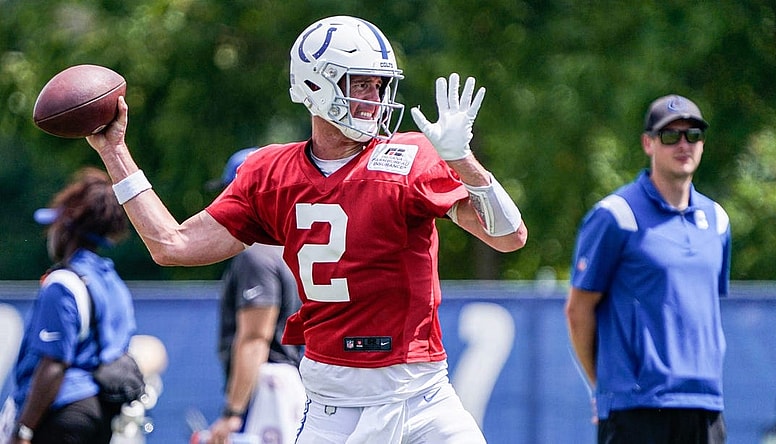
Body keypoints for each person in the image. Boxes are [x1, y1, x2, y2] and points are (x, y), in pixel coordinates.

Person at [86, 15, 527, 443]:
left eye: (379, 84)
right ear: (316, 85)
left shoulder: (410, 156)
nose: (375, 97)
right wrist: (115, 150)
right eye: (360, 83)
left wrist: (463, 161)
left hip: (421, 395)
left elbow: (509, 237)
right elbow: (172, 245)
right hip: (330, 404)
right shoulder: (269, 172)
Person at [565, 94, 730, 443]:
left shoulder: (717, 220)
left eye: (693, 134)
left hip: (705, 405)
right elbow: (578, 310)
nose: (683, 144)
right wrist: (606, 388)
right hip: (636, 409)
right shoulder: (616, 215)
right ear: (648, 143)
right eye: (670, 135)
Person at [12, 167, 137, 444]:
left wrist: (23, 430)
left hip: (63, 413)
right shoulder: (111, 280)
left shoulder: (62, 283)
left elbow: (55, 363)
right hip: (101, 413)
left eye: (53, 225)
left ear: (67, 228)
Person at [206, 149, 305, 444]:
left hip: (266, 388)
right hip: (287, 383)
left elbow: (255, 339)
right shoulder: (290, 249)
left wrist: (232, 413)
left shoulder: (256, 256)